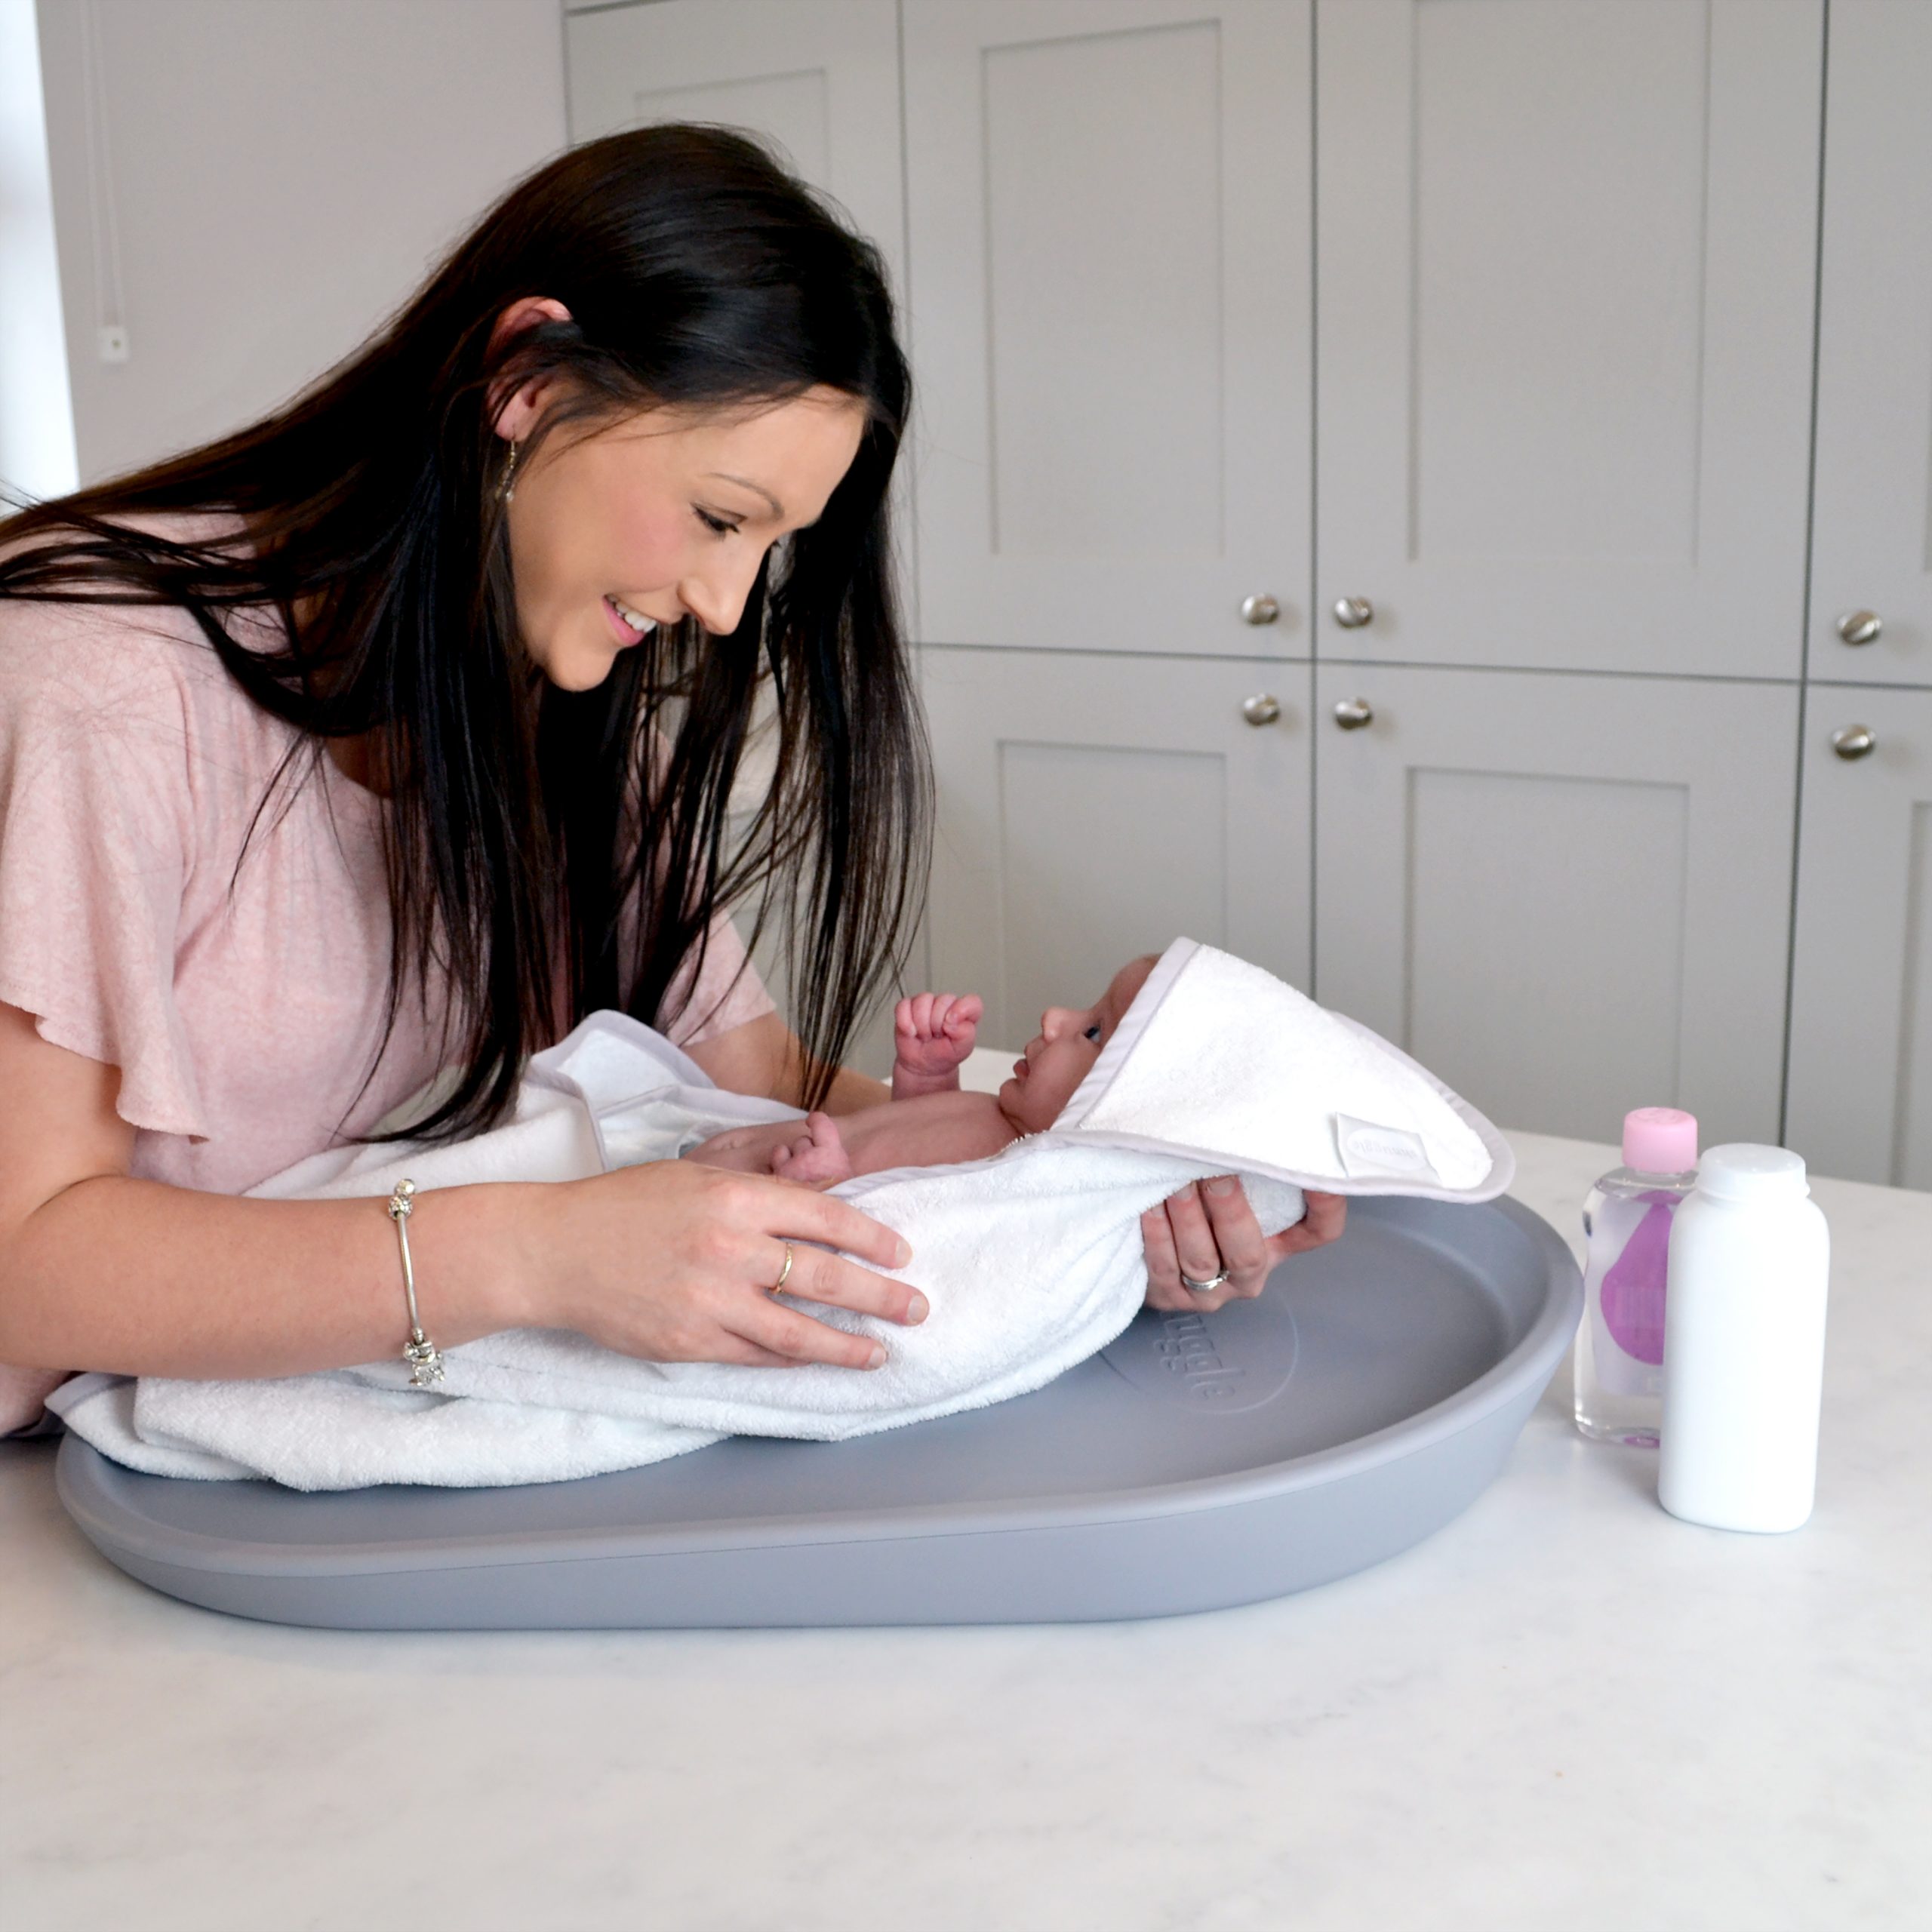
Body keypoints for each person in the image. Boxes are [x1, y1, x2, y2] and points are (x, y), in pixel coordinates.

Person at [0, 126, 1341, 1435]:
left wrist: (1097, 1179)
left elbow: (758, 1077)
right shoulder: (94, 685)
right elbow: (26, 1257)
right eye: (717, 517)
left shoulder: (549, 682)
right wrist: (538, 1256)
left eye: (769, 547)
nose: (720, 601)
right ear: (528, 380)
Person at [688, 958, 1161, 1183]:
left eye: (1094, 1032)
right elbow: (909, 1137)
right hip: (684, 1180)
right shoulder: (999, 1122)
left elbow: (921, 1238)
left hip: (721, 1224)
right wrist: (927, 1077)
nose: (1056, 1017)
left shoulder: (1018, 1180)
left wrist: (833, 1190)